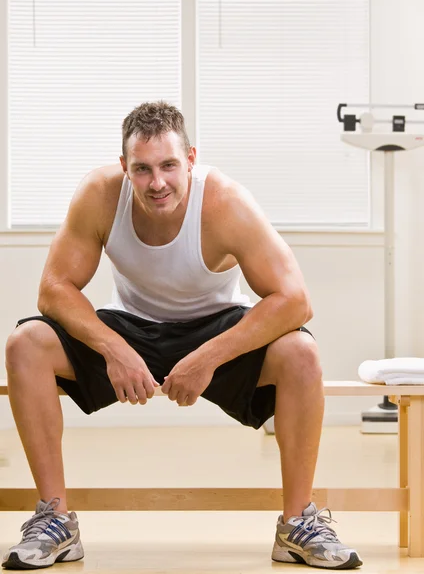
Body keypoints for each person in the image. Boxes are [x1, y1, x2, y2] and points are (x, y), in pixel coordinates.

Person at [2, 101, 362, 570]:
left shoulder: (227, 203)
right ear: (124, 168)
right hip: (129, 325)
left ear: (191, 158)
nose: (158, 183)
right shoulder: (100, 194)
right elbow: (53, 290)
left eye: (170, 165)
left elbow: (295, 300)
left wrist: (207, 357)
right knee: (24, 345)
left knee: (301, 353)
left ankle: (297, 524)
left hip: (216, 326)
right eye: (143, 169)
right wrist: (114, 348)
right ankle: (55, 522)